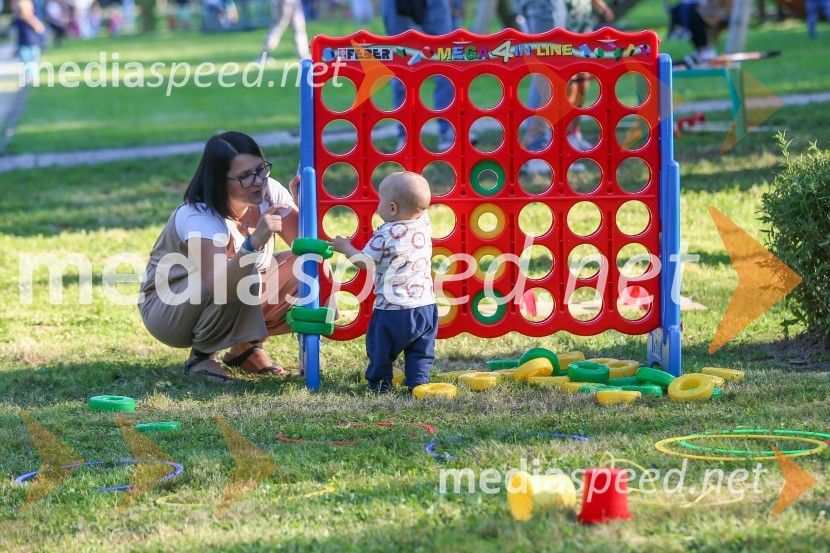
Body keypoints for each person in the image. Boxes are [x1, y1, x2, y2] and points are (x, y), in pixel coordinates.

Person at [138, 131, 301, 383]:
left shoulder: (271, 192)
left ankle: (245, 349)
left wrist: (306, 205)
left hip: (226, 290)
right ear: (219, 180)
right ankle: (203, 357)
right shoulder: (200, 215)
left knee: (303, 264)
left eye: (261, 169)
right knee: (242, 269)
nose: (258, 181)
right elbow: (219, 284)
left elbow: (306, 245)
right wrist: (254, 241)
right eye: (245, 177)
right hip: (168, 309)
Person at [332, 172, 437, 393]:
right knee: (421, 350)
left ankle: (379, 383)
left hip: (392, 309)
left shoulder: (385, 233)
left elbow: (364, 262)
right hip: (425, 307)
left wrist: (345, 248)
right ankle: (418, 383)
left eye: (379, 200)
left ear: (391, 208)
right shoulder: (423, 224)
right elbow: (420, 206)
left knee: (380, 348)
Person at [13, 0, 46, 85]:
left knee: (33, 62)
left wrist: (31, 21)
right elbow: (12, 31)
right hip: (23, 45)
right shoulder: (18, 20)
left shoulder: (33, 19)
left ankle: (32, 78)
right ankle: (27, 77)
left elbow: (40, 29)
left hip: (34, 44)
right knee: (25, 61)